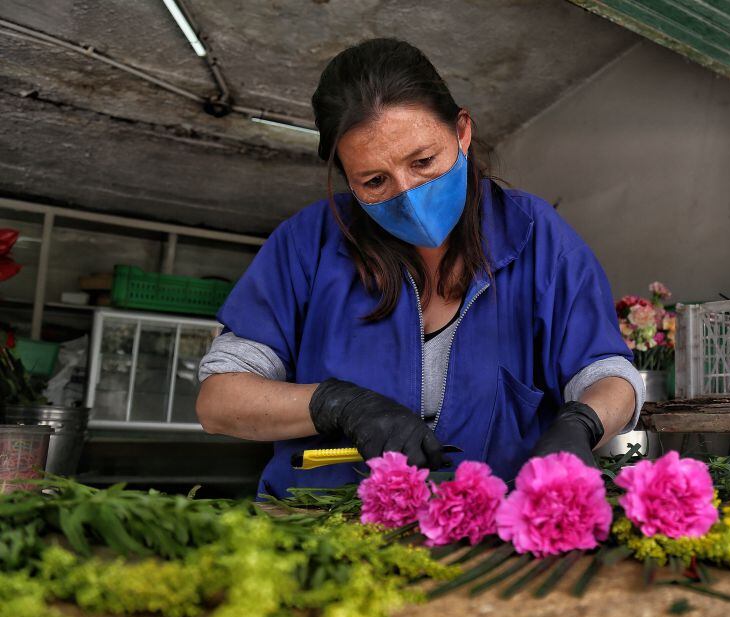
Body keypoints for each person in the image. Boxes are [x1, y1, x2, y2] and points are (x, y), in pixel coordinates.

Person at [196, 38, 643, 498]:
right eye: (374, 181)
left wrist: (582, 421)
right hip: (323, 530)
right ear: (346, 178)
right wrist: (335, 404)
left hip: (491, 539)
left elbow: (609, 375)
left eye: (424, 161)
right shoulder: (306, 244)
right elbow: (220, 400)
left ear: (462, 131)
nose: (407, 194)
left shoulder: (539, 238)